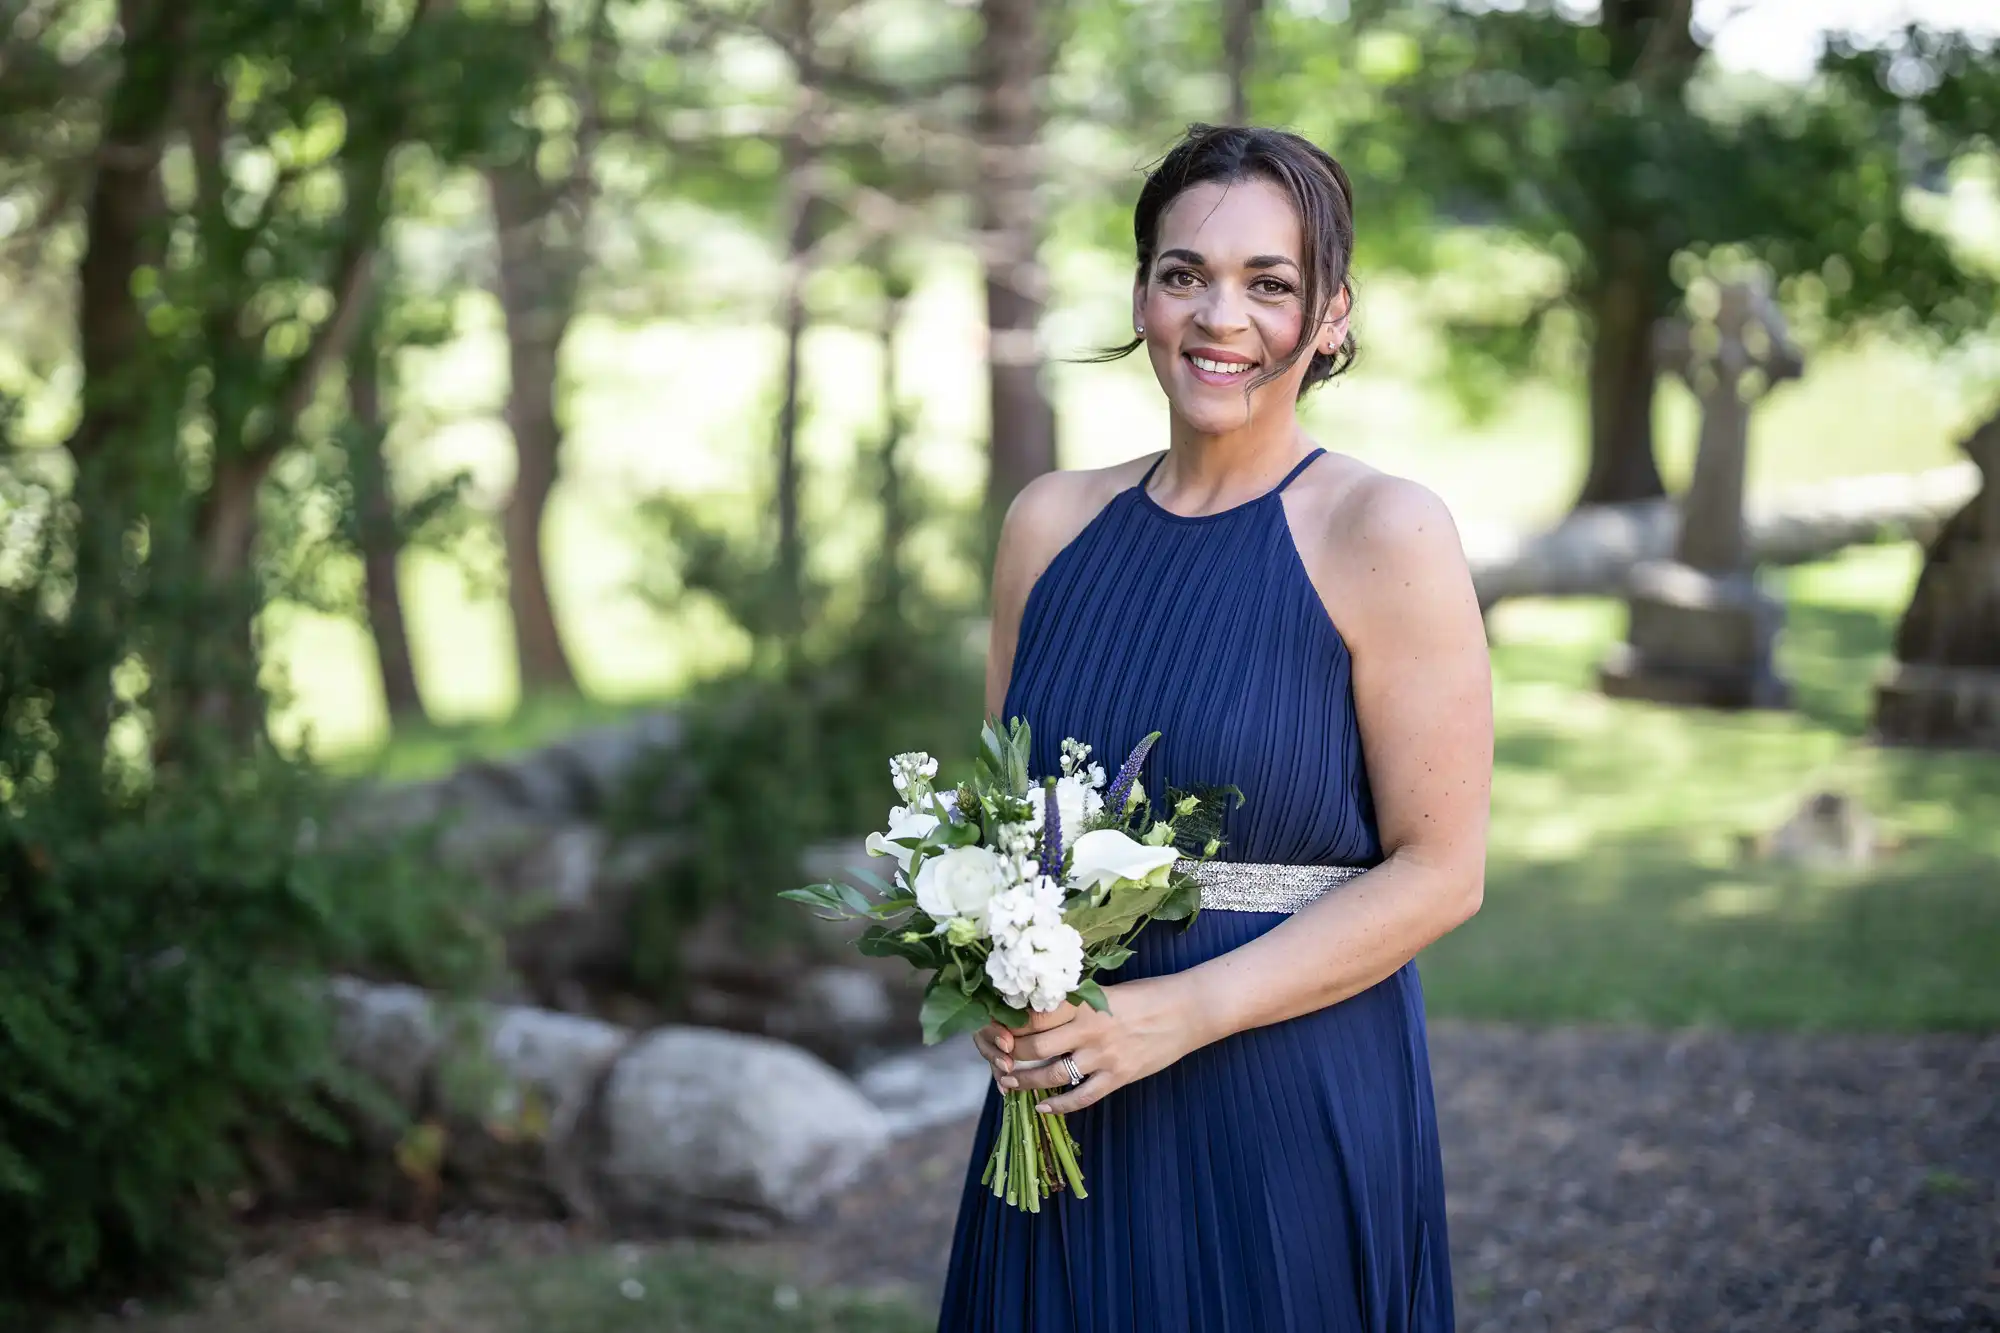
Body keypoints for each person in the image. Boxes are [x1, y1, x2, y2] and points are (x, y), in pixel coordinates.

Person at [935, 123, 1493, 1332]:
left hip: (1284, 1098)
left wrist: (1178, 1014)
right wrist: (990, 964)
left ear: (1331, 315)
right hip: (1067, 1097)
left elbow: (1442, 873)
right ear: (1141, 295)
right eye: (1183, 274)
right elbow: (1000, 828)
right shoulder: (1047, 526)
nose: (1217, 318)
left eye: (1268, 283)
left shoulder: (1382, 532)